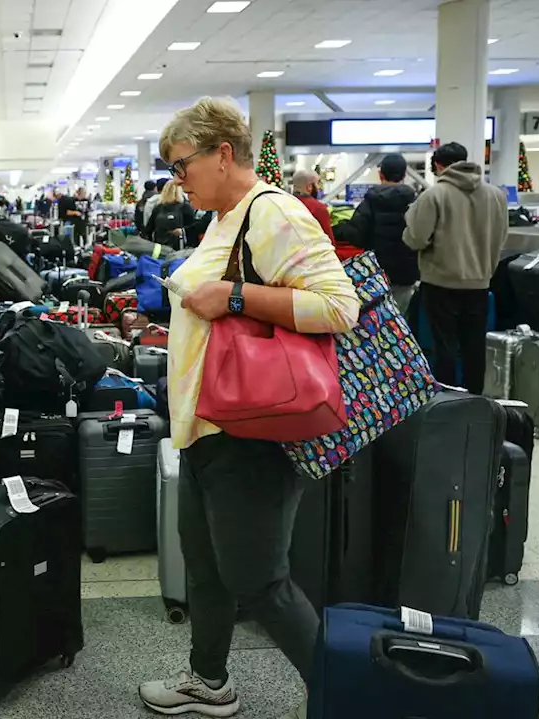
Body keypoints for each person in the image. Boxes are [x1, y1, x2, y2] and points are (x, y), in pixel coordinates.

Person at [137, 96, 361, 719]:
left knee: (260, 581)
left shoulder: (274, 213)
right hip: (206, 427)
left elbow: (340, 308)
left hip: (252, 430)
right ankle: (209, 683)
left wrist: (233, 298)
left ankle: (345, 695)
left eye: (181, 166)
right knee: (205, 567)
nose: (177, 182)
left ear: (223, 154)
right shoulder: (223, 217)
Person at [402, 141, 508, 395]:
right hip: (480, 283)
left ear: (438, 165)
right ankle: (476, 398)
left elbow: (415, 238)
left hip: (440, 282)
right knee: (474, 344)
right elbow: (502, 236)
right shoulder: (495, 195)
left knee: (444, 345)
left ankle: (448, 400)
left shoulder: (434, 195)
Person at [336, 154, 419, 311]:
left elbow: (356, 236)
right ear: (404, 174)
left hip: (376, 271)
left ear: (381, 174)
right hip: (406, 271)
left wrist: (341, 227)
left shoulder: (371, 202)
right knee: (402, 316)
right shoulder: (416, 202)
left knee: (379, 318)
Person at [288, 169, 337, 243]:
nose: (319, 188)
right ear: (309, 187)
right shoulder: (318, 208)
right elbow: (329, 241)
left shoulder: (285, 204)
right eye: (317, 183)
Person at [146, 179, 196, 250]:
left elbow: (148, 230)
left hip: (160, 248)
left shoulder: (158, 208)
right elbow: (192, 229)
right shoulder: (185, 207)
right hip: (180, 249)